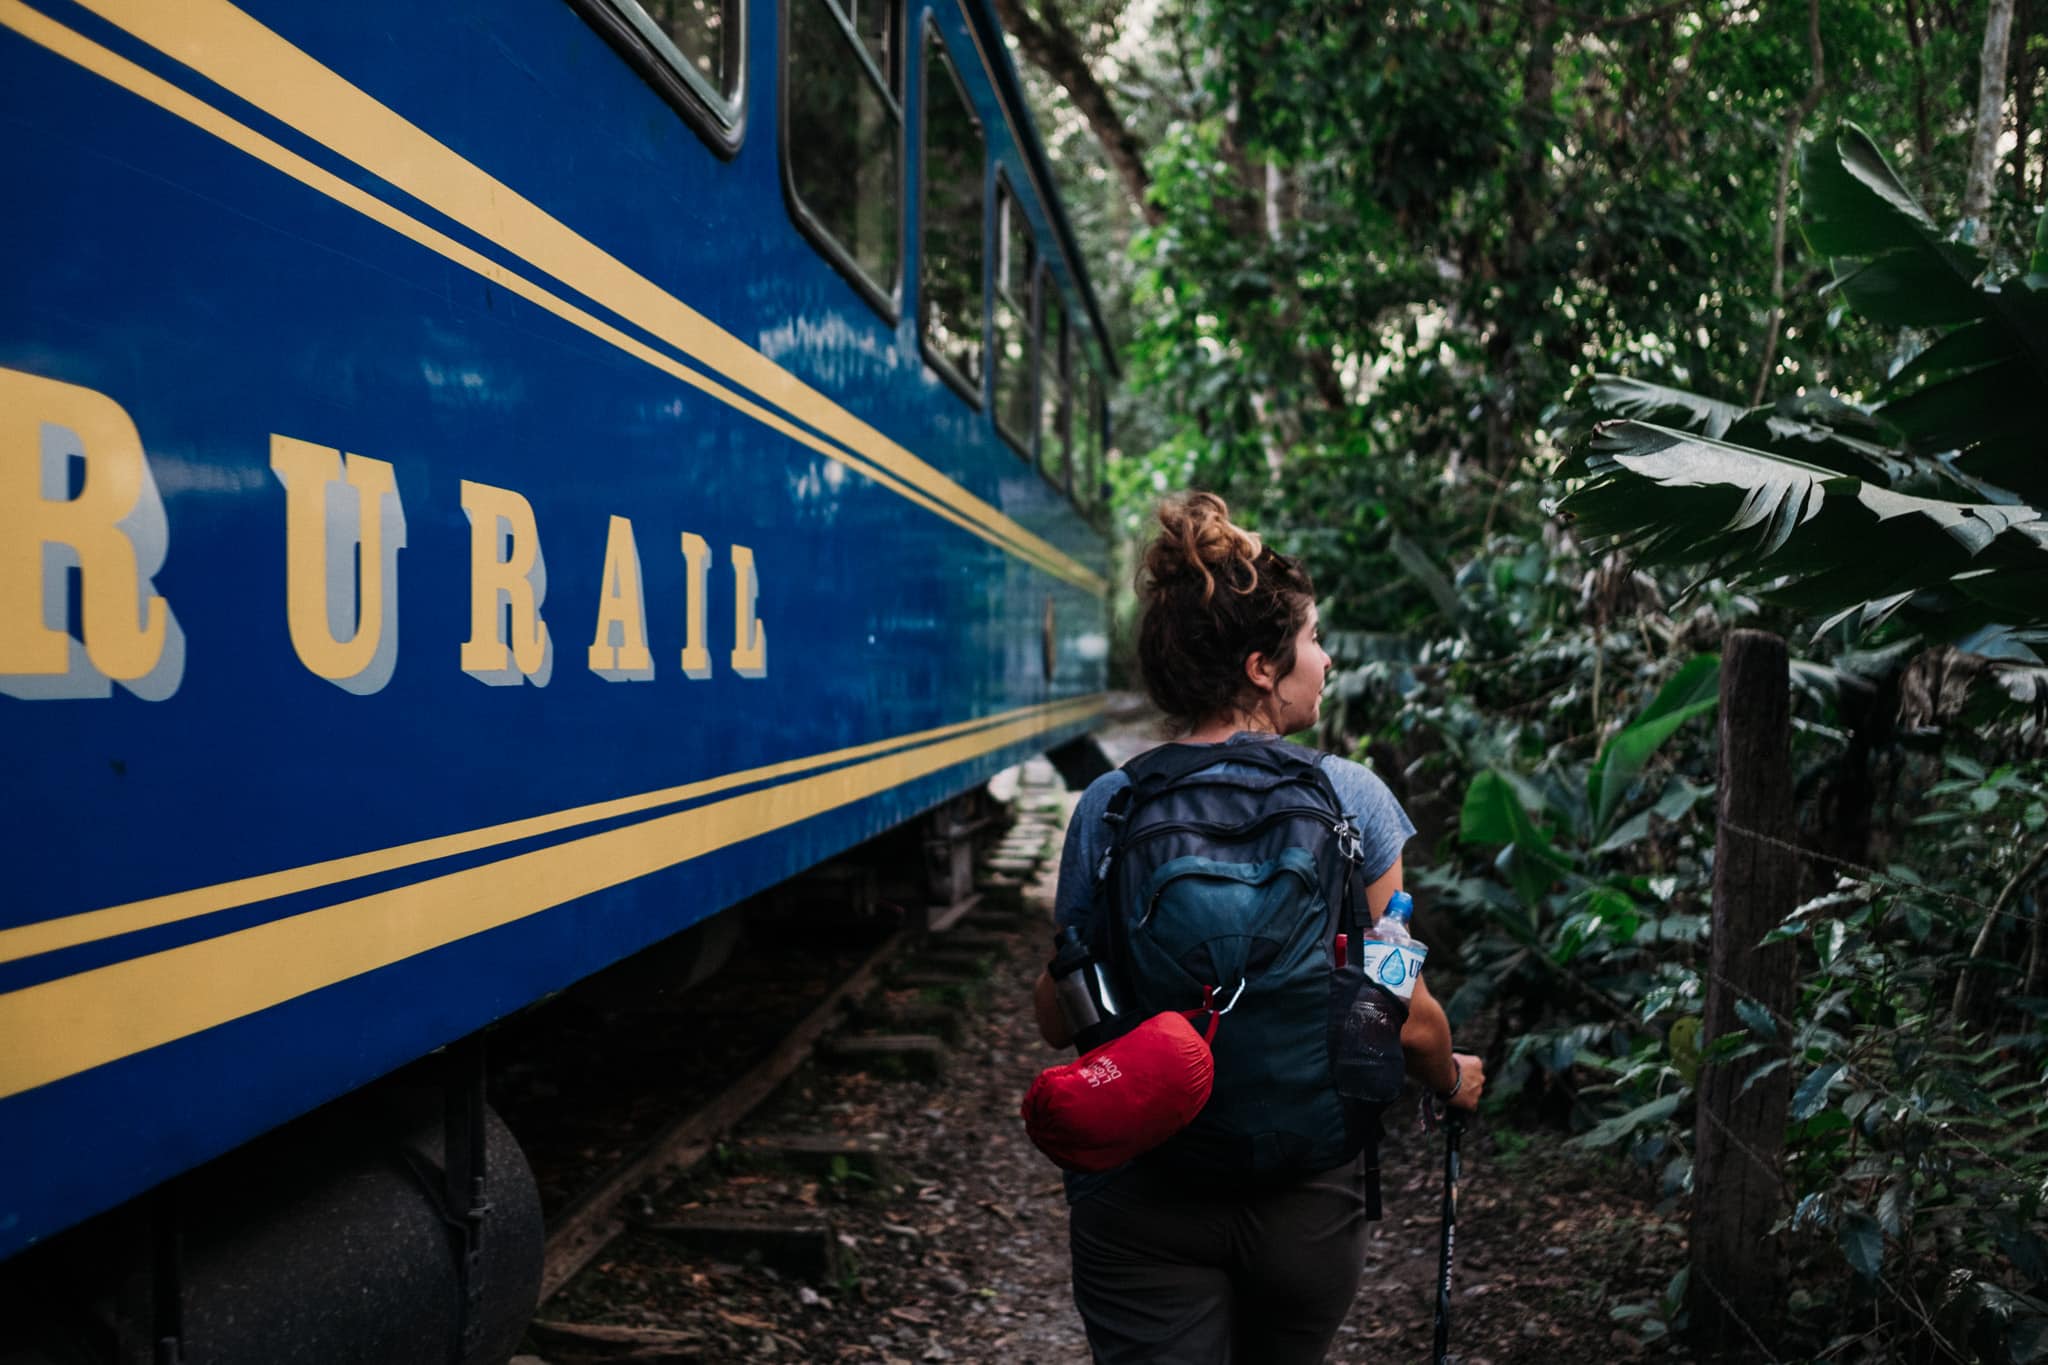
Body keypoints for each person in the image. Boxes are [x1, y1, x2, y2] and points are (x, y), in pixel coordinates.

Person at [1033, 490, 1486, 1364]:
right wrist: (1450, 1077)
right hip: (1306, 1204)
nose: (1325, 657)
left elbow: (1061, 1016)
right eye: (1312, 639)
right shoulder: (1351, 801)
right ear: (1260, 668)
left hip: (1141, 1199)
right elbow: (1402, 1010)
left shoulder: (1111, 807)